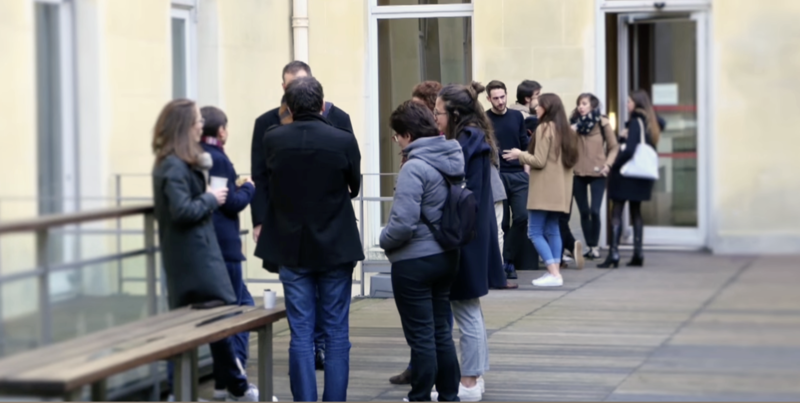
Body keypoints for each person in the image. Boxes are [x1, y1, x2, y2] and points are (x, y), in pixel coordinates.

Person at [257, 76, 364, 401]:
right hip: (336, 243)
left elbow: (269, 182)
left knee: (300, 333)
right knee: (336, 333)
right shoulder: (341, 138)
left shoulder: (273, 138)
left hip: (292, 246)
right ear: (322, 104)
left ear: (287, 107)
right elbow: (355, 186)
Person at [151, 99, 260, 402]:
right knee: (217, 318)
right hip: (194, 257)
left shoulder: (183, 161)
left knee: (212, 320)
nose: (202, 124)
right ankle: (229, 387)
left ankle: (221, 387)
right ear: (186, 125)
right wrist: (212, 197)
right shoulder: (173, 165)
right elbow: (183, 210)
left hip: (198, 254)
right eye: (197, 120)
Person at [380, 100, 463, 402]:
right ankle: (450, 394)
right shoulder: (452, 156)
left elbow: (402, 224)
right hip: (447, 255)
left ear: (408, 135)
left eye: (397, 135)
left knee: (421, 335)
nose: (397, 142)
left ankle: (420, 396)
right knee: (442, 330)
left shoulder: (414, 167)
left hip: (415, 262)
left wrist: (382, 238)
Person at [433, 81, 503, 401]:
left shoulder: (467, 141)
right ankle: (475, 375)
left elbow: (461, 193)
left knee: (464, 306)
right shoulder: (474, 136)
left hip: (465, 236)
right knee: (469, 306)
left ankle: (470, 381)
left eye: (438, 112)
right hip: (473, 233)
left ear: (455, 113)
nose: (435, 118)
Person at [198, 106, 258, 400]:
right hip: (225, 246)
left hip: (209, 246)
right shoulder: (217, 158)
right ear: (221, 131)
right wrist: (248, 188)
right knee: (239, 309)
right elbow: (228, 203)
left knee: (229, 310)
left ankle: (225, 383)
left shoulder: (197, 155)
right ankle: (237, 382)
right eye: (227, 127)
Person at [502, 94, 580, 287]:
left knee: (534, 231)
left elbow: (539, 160)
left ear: (548, 109)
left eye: (539, 106)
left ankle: (553, 273)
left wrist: (519, 154)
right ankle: (554, 273)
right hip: (560, 189)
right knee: (552, 229)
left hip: (544, 189)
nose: (535, 109)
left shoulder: (545, 128)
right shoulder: (566, 130)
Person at [599, 90, 663, 268]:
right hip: (642, 175)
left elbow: (629, 150)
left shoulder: (636, 122)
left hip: (627, 174)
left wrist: (613, 165)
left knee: (617, 211)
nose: (627, 104)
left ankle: (614, 254)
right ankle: (638, 254)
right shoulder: (651, 122)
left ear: (637, 104)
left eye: (629, 102)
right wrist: (622, 136)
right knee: (636, 212)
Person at [484, 80, 534, 281]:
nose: (500, 101)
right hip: (497, 174)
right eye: (495, 98)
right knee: (502, 222)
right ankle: (505, 264)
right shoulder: (485, 119)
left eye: (502, 97)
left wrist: (525, 167)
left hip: (518, 175)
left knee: (522, 216)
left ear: (506, 95)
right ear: (488, 99)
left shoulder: (516, 116)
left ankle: (508, 257)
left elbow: (525, 143)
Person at [569, 93, 619, 261]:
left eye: (584, 103)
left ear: (592, 106)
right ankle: (590, 246)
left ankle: (595, 245)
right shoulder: (572, 124)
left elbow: (614, 147)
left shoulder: (603, 122)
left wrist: (608, 165)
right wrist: (570, 132)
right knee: (584, 211)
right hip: (578, 173)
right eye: (578, 104)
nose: (580, 107)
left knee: (595, 211)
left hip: (599, 173)